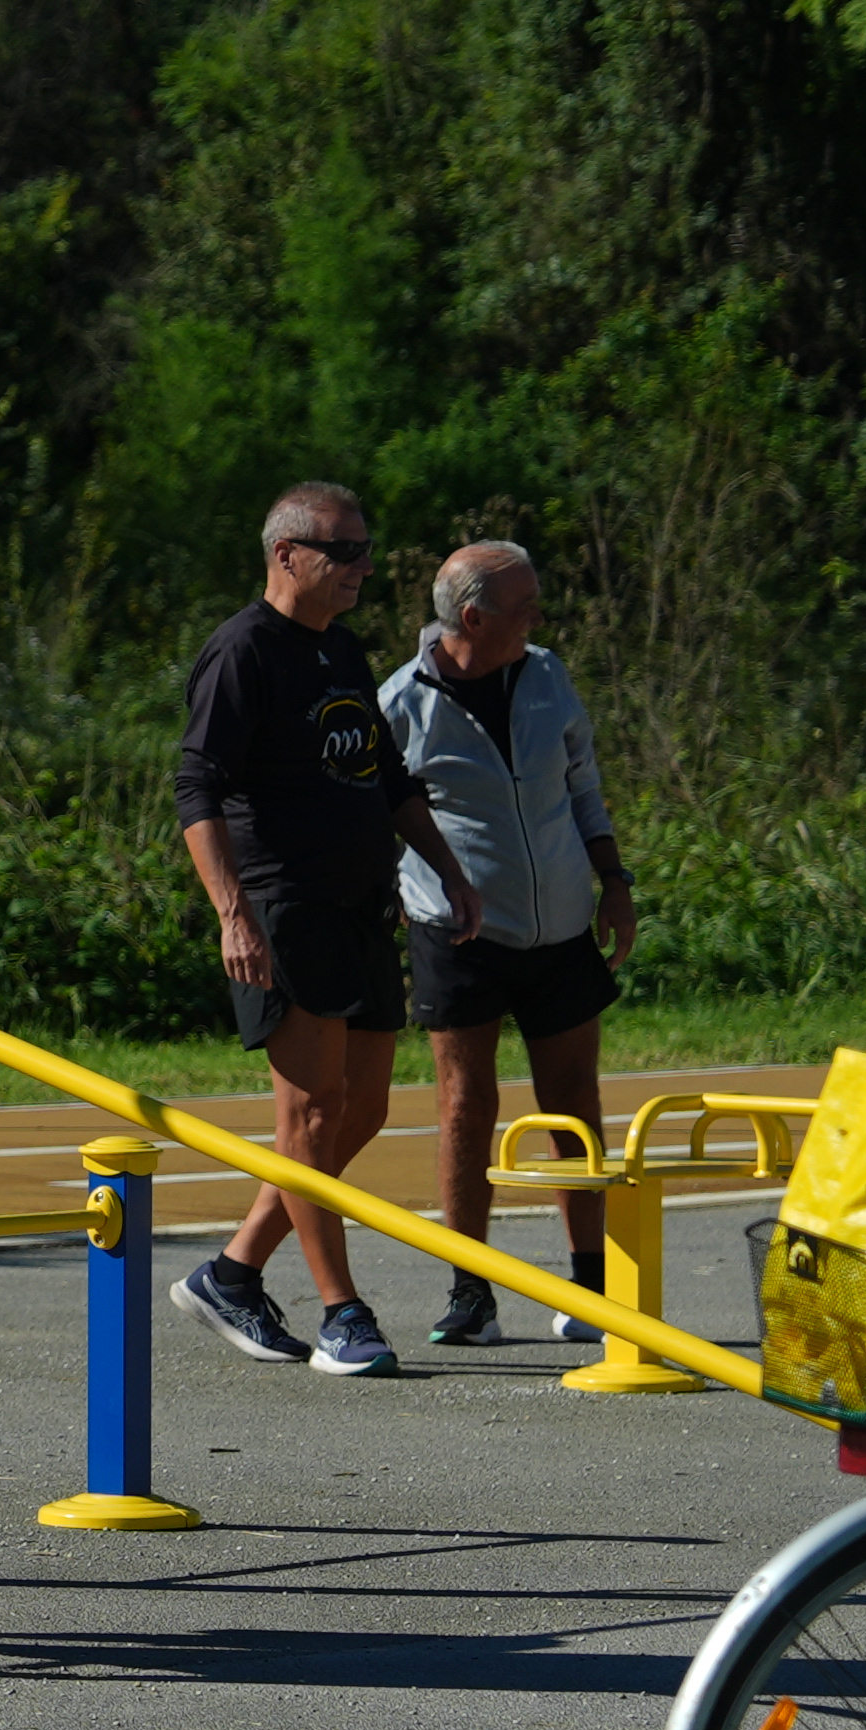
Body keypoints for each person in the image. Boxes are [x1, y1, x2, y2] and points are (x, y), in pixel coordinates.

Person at [172, 481, 484, 1377]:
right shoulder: (242, 652)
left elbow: (388, 779)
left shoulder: (341, 651)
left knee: (364, 1107)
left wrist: (450, 872)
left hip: (363, 901)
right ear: (287, 555)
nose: (363, 568)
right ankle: (343, 1313)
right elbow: (198, 790)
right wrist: (234, 913)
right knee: (310, 1113)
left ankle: (234, 1272)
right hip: (283, 906)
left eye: (366, 551)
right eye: (343, 552)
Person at [381, 541, 637, 1344]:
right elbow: (375, 811)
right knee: (466, 1105)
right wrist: (388, 894)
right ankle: (470, 1290)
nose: (538, 616)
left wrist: (613, 878)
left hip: (560, 925)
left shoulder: (548, 674)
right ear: (472, 617)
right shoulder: (400, 701)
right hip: (458, 933)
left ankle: (590, 1283)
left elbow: (582, 779)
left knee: (574, 1101)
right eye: (524, 605)